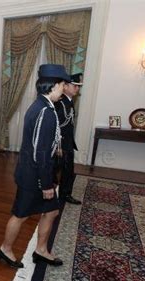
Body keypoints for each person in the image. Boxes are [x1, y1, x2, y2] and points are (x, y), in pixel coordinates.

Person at [0, 64, 70, 269]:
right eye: (63, 85)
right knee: (21, 214)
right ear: (53, 85)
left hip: (38, 173)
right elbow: (40, 152)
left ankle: (41, 250)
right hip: (35, 176)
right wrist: (46, 184)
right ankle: (5, 249)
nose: (64, 89)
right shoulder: (44, 111)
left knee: (52, 211)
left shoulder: (43, 106)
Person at [54, 73, 83, 205]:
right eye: (75, 85)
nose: (77, 89)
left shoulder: (69, 102)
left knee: (67, 171)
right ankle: (60, 195)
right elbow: (57, 126)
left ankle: (64, 194)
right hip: (61, 144)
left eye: (78, 86)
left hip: (67, 142)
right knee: (57, 170)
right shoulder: (60, 103)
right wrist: (58, 146)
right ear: (65, 87)